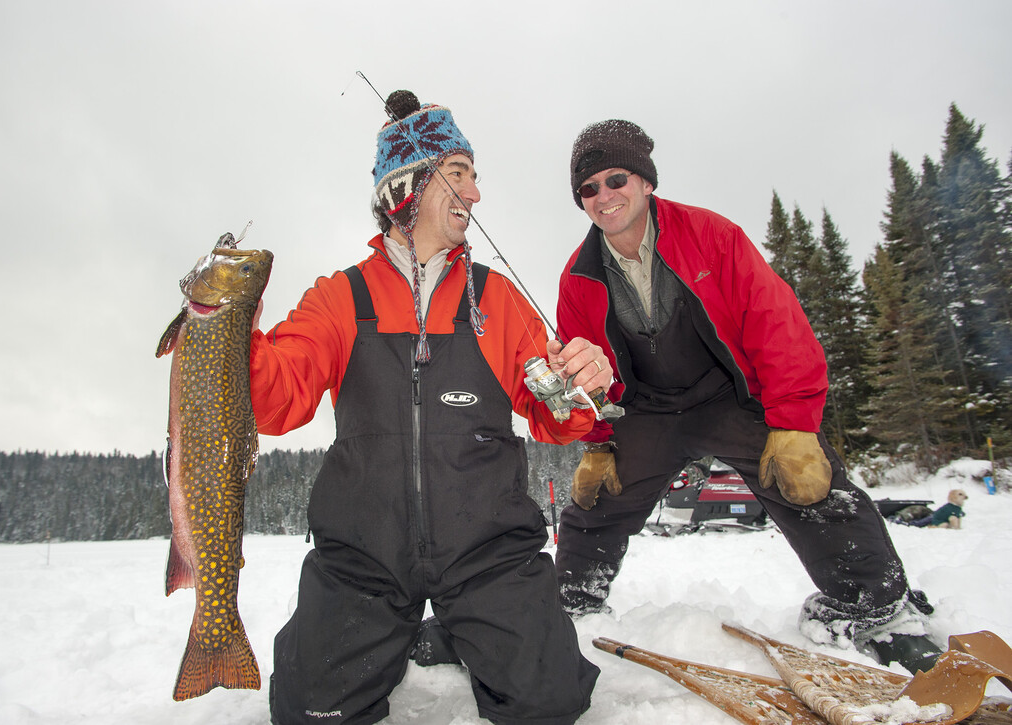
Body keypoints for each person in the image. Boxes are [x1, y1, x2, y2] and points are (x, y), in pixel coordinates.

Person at [249, 90, 602, 725]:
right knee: (308, 712)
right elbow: (277, 402)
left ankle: (461, 632)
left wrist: (585, 382)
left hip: (488, 552)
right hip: (364, 555)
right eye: (460, 174)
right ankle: (409, 631)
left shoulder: (495, 300)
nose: (475, 194)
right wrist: (229, 338)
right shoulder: (340, 298)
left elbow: (558, 415)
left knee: (548, 703)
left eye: (473, 176)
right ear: (409, 186)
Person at [552, 118, 943, 673]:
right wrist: (596, 443)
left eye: (616, 179)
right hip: (650, 410)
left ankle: (878, 613)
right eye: (588, 188)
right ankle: (570, 609)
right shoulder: (577, 278)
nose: (604, 196)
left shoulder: (712, 236)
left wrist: (794, 424)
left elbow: (775, 323)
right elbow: (584, 369)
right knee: (595, 506)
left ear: (645, 182)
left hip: (727, 395)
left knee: (811, 485)